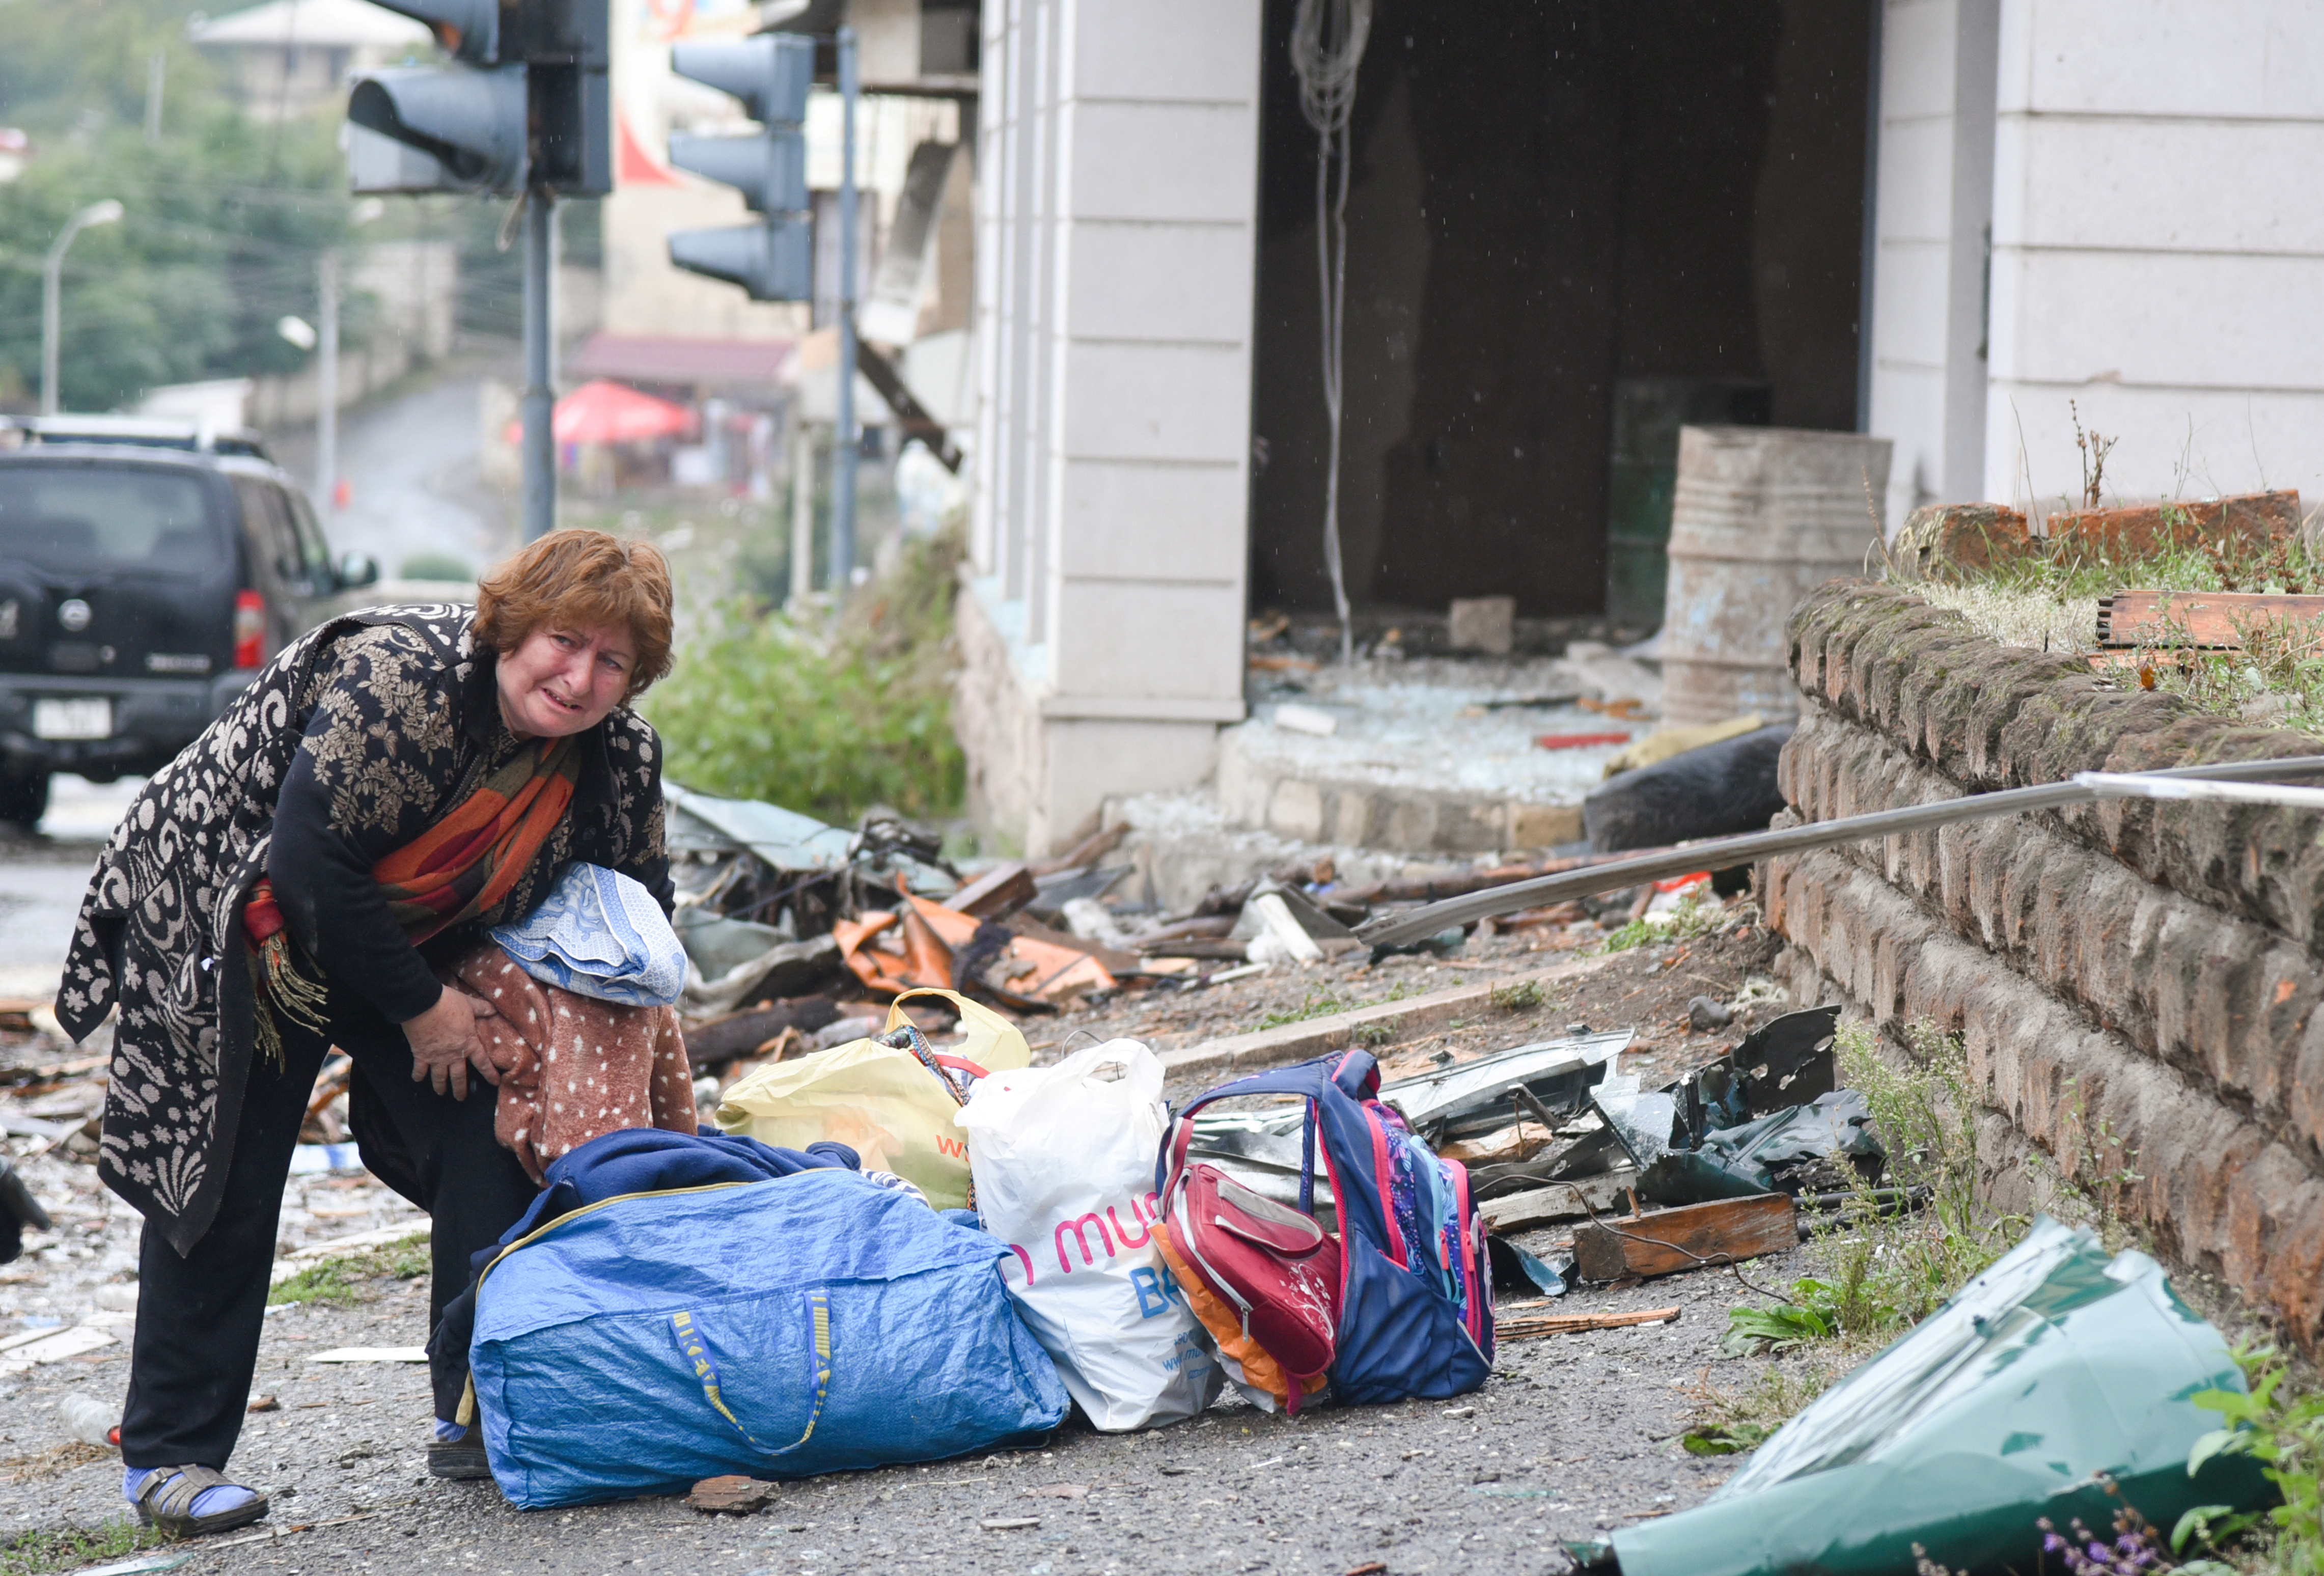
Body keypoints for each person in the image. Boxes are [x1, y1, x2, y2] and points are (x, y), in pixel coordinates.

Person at [55, 529, 677, 1535]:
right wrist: (425, 1012)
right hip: (237, 910)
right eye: (564, 641)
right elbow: (308, 865)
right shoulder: (402, 683)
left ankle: (478, 1408)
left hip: (413, 934)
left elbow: (636, 911)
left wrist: (571, 1043)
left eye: (613, 661)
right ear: (515, 629)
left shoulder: (614, 757)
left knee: (493, 1120)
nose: (579, 678)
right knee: (228, 1167)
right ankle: (170, 1457)